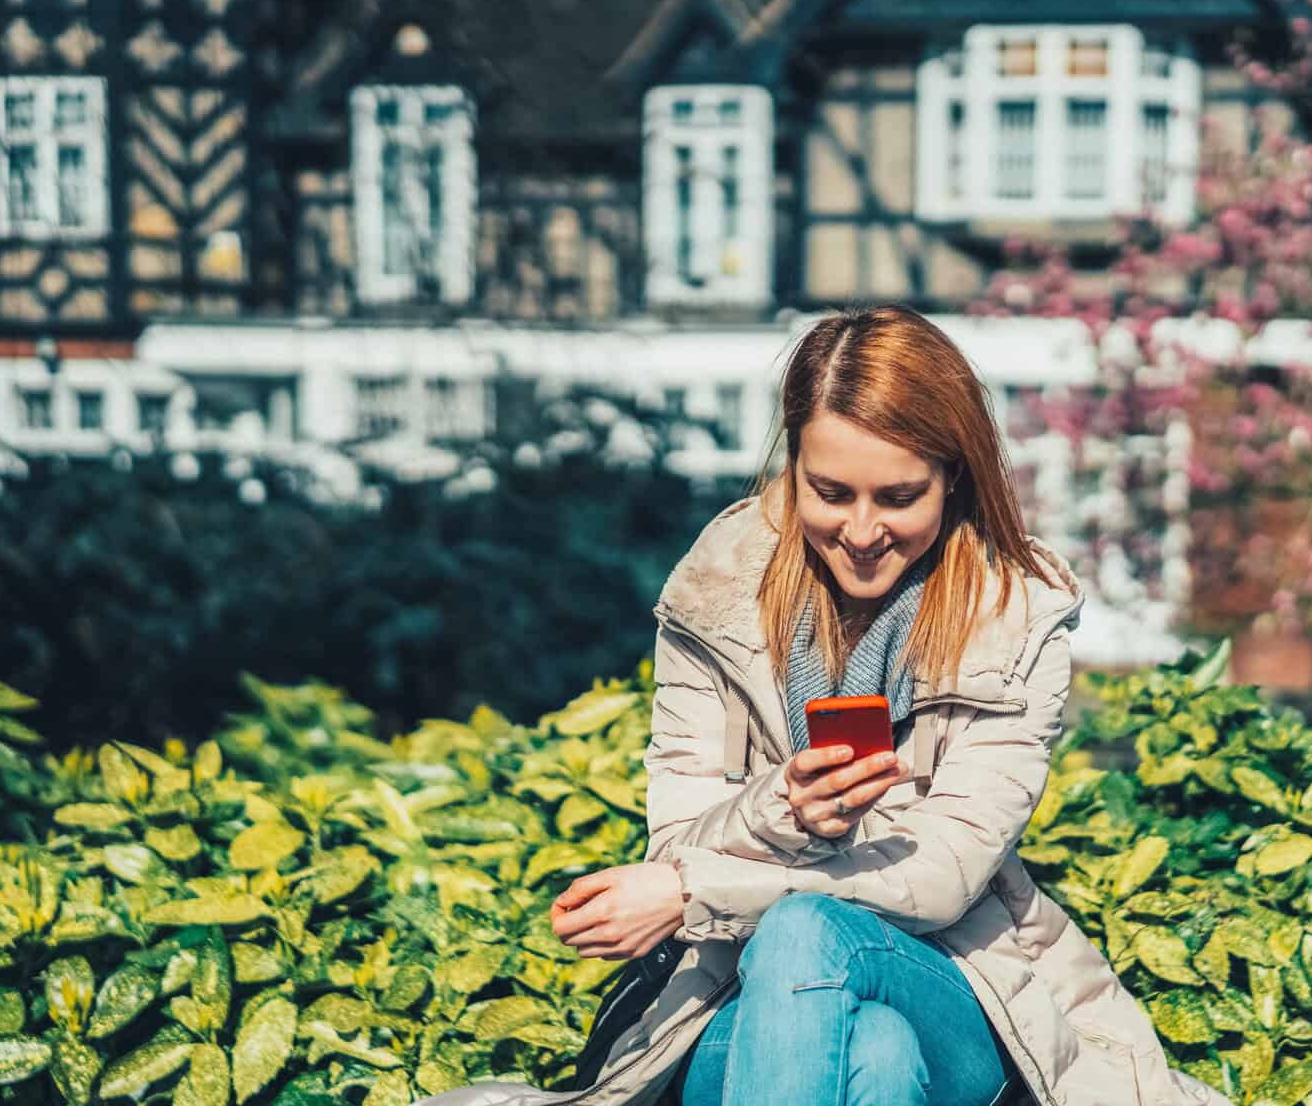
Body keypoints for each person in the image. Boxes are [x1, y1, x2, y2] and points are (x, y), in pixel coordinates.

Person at [419, 306, 1230, 1106]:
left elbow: (942, 877)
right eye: (831, 492)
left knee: (808, 928)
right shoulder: (715, 600)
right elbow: (676, 835)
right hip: (739, 1000)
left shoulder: (1014, 619)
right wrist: (783, 811)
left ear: (955, 477)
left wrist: (694, 893)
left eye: (899, 495)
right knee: (873, 1055)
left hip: (949, 981)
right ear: (792, 465)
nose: (862, 530)